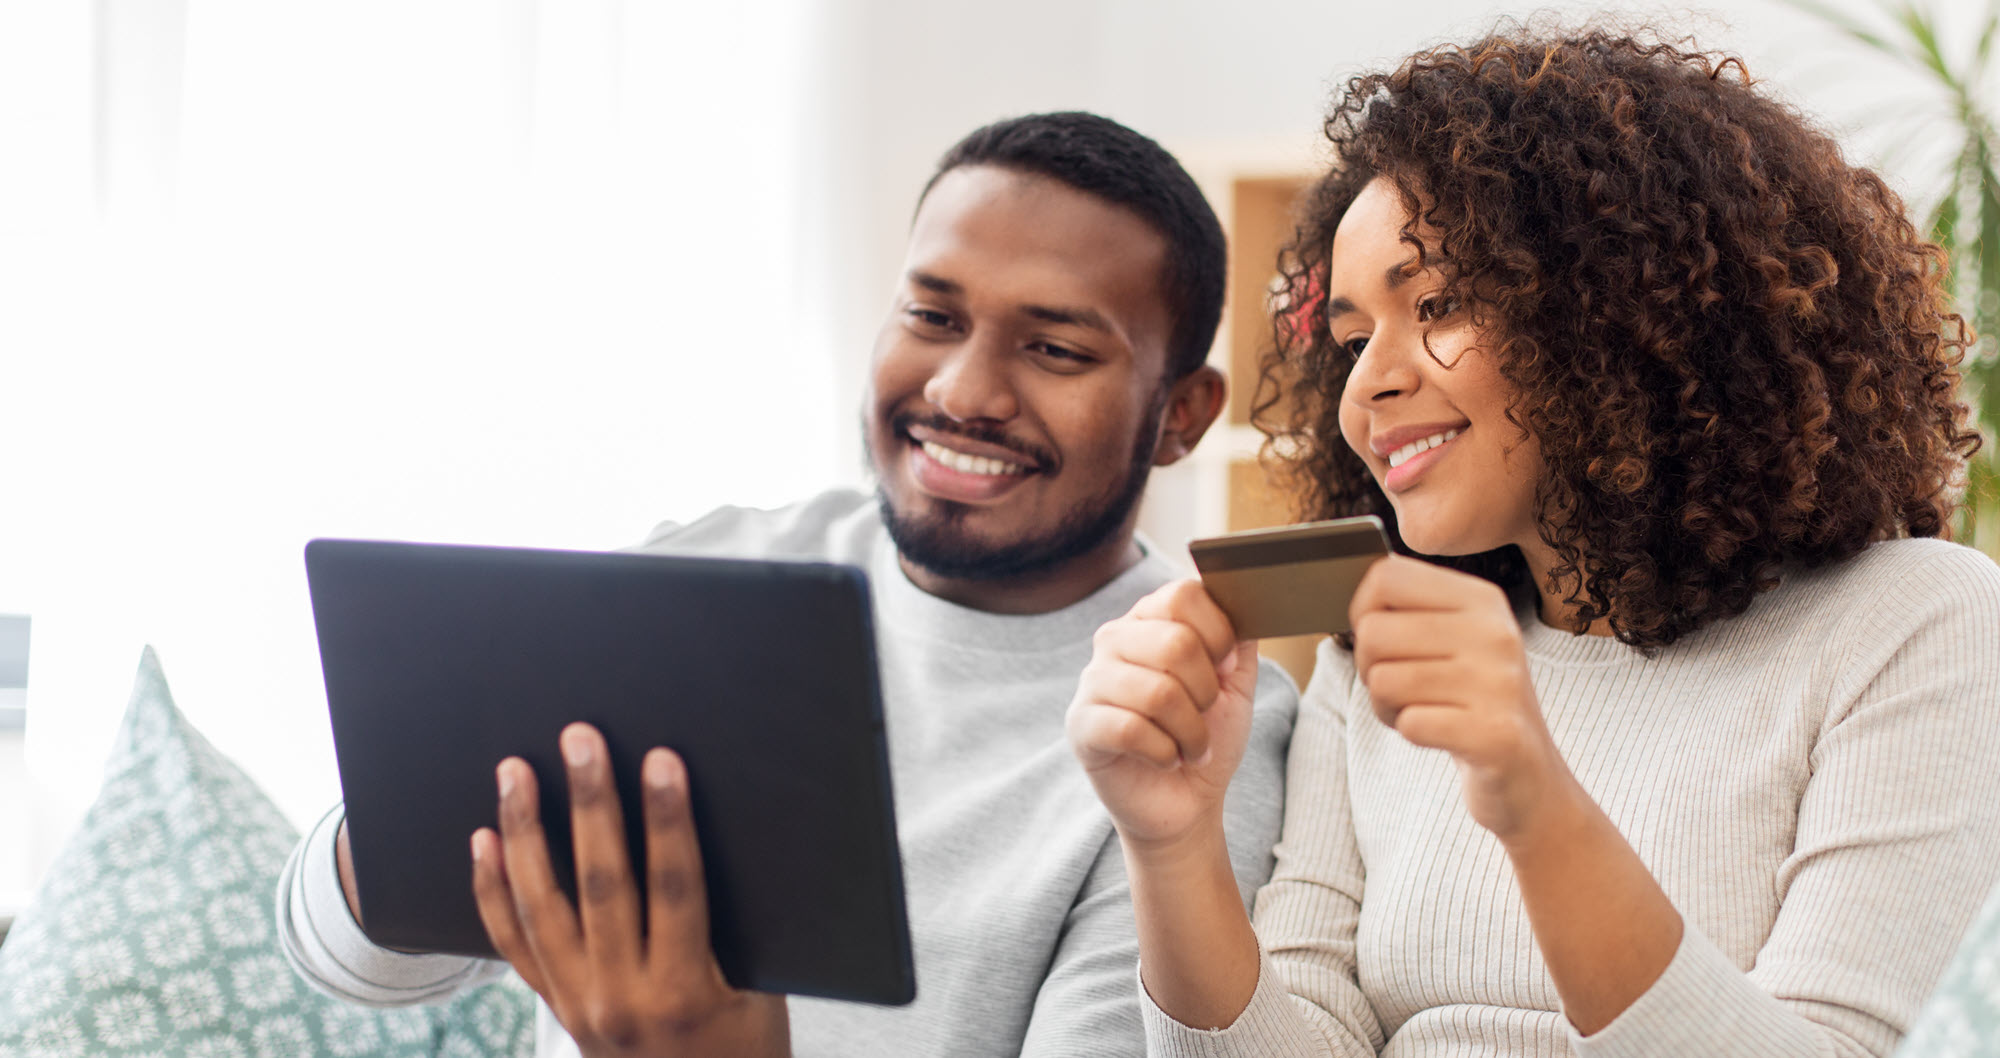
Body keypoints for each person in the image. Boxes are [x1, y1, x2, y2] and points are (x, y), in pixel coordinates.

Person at [275, 111, 1298, 1058]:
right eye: (931, 315)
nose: (963, 390)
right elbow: (356, 956)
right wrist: (440, 780)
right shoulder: (703, 569)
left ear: (1181, 415)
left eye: (1055, 349)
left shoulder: (1195, 707)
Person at [1067, 26, 2000, 1058]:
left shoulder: (1915, 622)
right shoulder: (1372, 662)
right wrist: (1171, 844)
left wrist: (1535, 802)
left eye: (1436, 304)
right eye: (1351, 339)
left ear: (1619, 304)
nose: (1366, 385)